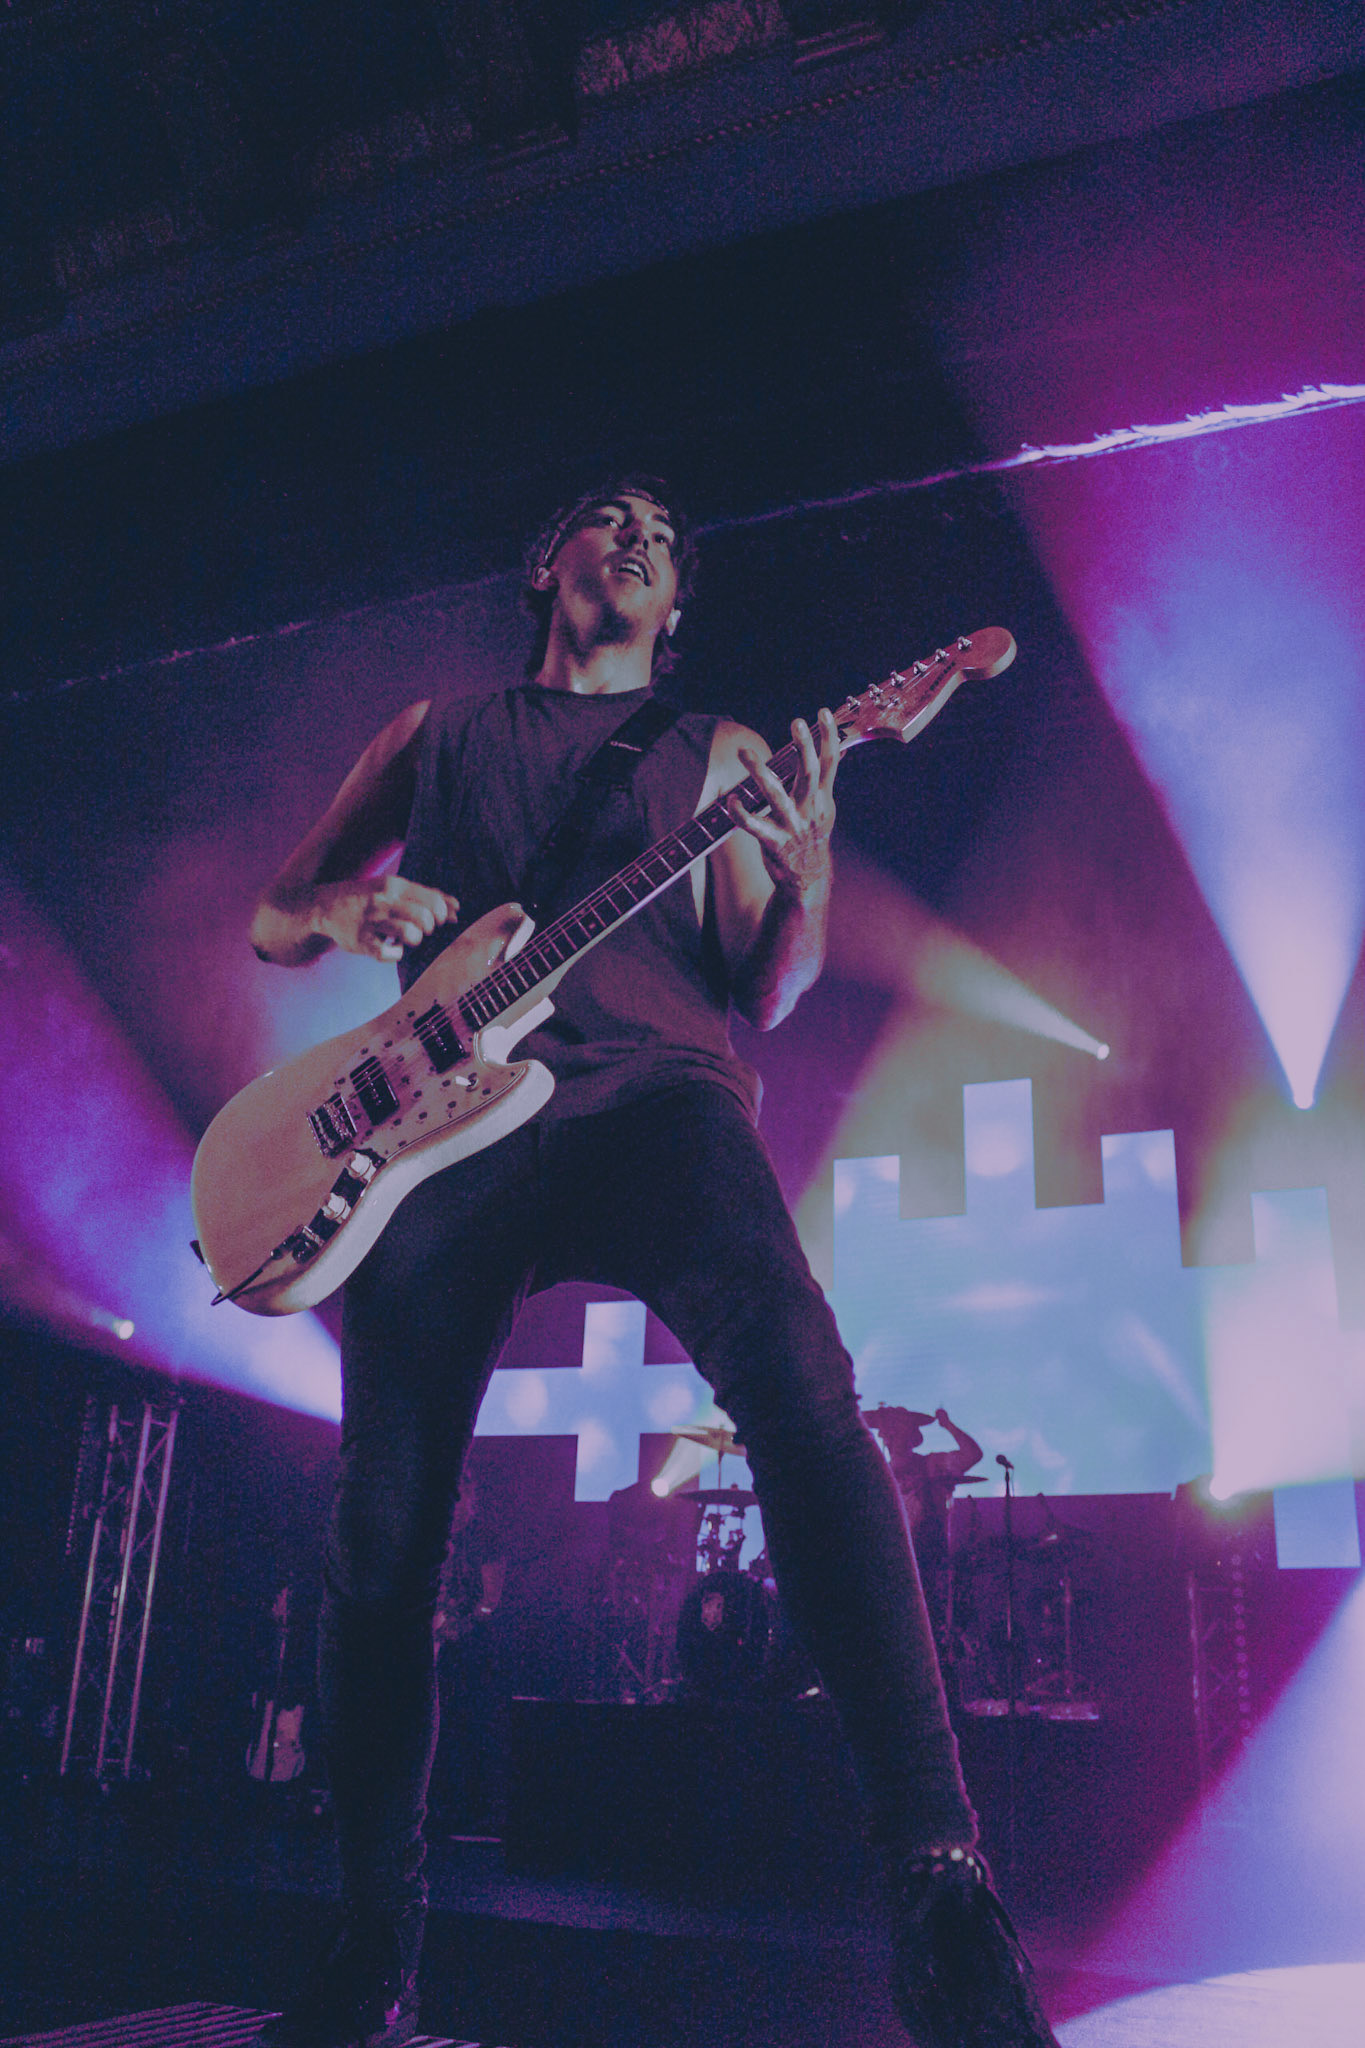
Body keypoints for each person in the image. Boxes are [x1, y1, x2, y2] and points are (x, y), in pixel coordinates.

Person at [248, 478, 1059, 2048]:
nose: (634, 538)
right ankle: (369, 1946)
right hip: (436, 1137)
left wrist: (805, 865)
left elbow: (765, 988)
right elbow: (278, 917)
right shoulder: (437, 734)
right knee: (382, 1533)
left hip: (656, 1101)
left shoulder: (722, 752)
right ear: (542, 563)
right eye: (606, 518)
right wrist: (351, 910)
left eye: (663, 535)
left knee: (803, 1391)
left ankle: (940, 1890)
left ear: (676, 601)